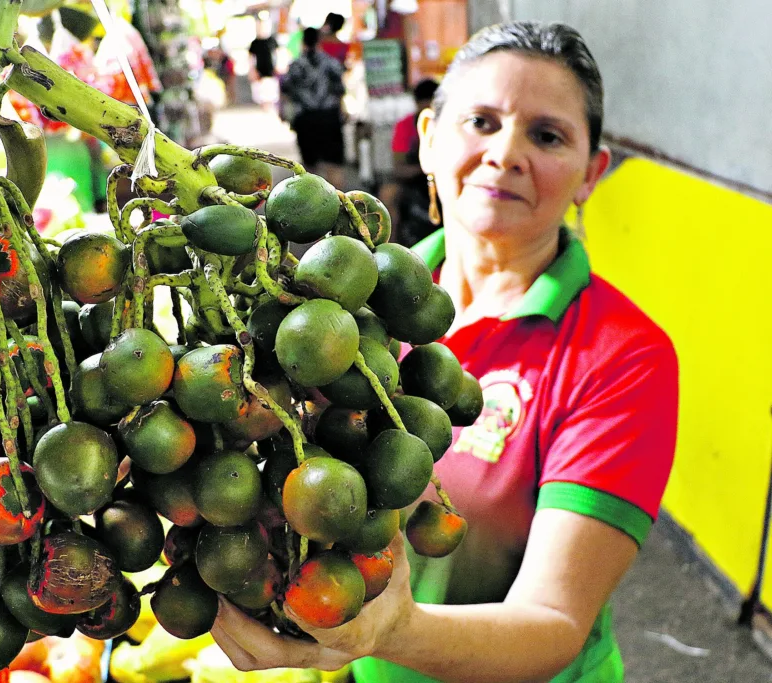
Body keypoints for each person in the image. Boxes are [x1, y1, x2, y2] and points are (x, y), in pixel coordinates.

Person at [211, 21, 679, 683]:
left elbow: (554, 622)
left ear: (590, 172)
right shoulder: (341, 309)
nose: (505, 153)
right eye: (481, 121)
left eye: (546, 135)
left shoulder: (624, 355)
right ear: (427, 140)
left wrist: (395, 631)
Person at [281, 27, 346, 188]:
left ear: (303, 41)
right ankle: (340, 206)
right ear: (319, 41)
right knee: (334, 165)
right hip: (329, 117)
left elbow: (286, 91)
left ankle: (317, 204)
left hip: (305, 119)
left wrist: (285, 113)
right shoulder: (331, 63)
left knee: (310, 168)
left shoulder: (295, 65)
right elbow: (340, 91)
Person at [383, 78, 440, 247]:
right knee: (388, 195)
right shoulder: (405, 125)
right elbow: (399, 168)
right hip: (416, 178)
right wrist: (424, 168)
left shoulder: (449, 122)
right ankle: (390, 247)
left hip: (442, 176)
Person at [248, 21, 279, 111]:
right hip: (259, 70)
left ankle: (270, 104)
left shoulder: (272, 40)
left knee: (270, 89)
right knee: (261, 90)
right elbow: (251, 58)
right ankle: (264, 105)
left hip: (271, 70)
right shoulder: (255, 43)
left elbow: (277, 53)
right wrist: (252, 70)